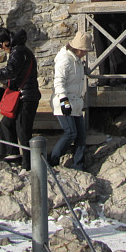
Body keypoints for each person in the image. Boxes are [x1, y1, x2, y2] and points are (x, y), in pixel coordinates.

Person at [0, 27, 39, 171]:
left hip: (26, 97)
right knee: (6, 123)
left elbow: (10, 71)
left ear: (5, 42)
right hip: (24, 95)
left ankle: (27, 165)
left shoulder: (18, 51)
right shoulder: (20, 50)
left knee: (23, 131)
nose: (0, 49)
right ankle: (13, 156)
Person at [74, 0, 126, 83]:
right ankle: (104, 79)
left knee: (116, 49)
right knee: (101, 48)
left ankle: (120, 80)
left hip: (114, 19)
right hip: (99, 19)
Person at [49, 31, 93, 170]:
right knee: (71, 133)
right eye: (85, 50)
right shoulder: (65, 60)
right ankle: (52, 159)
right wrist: (63, 100)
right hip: (64, 102)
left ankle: (78, 164)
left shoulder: (77, 60)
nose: (86, 53)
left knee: (81, 136)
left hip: (76, 103)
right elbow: (59, 82)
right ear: (79, 49)